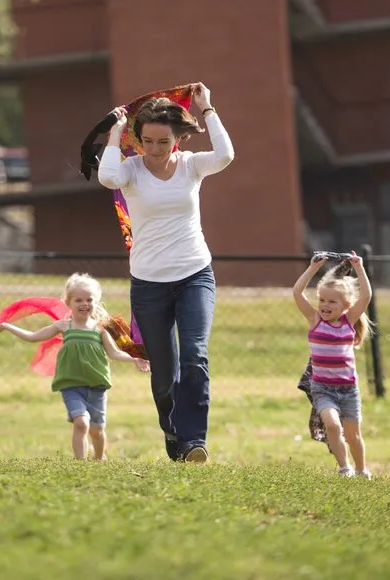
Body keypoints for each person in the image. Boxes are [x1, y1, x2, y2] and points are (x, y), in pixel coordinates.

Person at [97, 82, 235, 462]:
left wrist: (208, 110)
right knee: (163, 375)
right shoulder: (130, 169)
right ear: (137, 139)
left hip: (194, 275)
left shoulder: (191, 165)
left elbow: (225, 154)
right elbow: (106, 178)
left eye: (163, 141)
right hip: (149, 285)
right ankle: (174, 435)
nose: (155, 150)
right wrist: (113, 135)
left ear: (177, 138)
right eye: (147, 141)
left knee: (195, 355)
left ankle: (194, 441)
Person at [0, 273, 150, 461]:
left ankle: (99, 458)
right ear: (68, 303)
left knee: (97, 430)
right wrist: (8, 326)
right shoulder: (63, 326)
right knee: (81, 423)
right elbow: (32, 336)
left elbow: (114, 353)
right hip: (72, 386)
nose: (84, 304)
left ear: (95, 302)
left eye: (89, 300)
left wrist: (134, 359)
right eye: (78, 300)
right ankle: (80, 463)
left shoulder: (100, 329)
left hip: (97, 386)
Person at [292, 251, 374, 479]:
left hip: (348, 390)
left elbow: (366, 297)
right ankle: (344, 468)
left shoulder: (349, 321)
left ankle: (361, 470)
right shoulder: (314, 320)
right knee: (332, 426)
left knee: (354, 434)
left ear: (346, 305)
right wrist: (312, 269)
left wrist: (359, 267)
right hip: (323, 388)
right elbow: (297, 293)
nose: (325, 305)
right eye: (322, 300)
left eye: (332, 301)